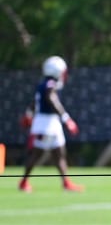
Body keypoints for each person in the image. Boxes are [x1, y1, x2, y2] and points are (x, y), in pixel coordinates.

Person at [18, 56, 84, 193]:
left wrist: (28, 114)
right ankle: (24, 182)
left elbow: (35, 102)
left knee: (59, 153)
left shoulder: (44, 84)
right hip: (46, 123)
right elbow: (51, 99)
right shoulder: (50, 85)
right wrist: (66, 119)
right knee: (37, 154)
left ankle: (66, 182)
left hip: (51, 123)